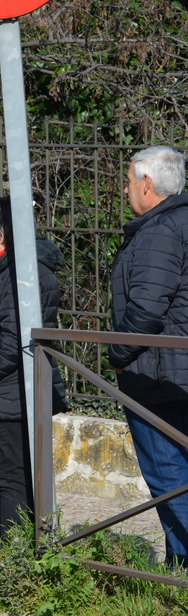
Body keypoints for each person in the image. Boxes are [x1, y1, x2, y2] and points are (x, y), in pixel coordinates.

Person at [0, 196, 68, 546]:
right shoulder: (15, 270)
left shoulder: (23, 274)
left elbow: (13, 340)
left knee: (12, 479)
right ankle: (26, 558)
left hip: (12, 390)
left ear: (0, 235)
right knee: (19, 476)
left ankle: (15, 564)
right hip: (11, 389)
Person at [110, 145, 188, 570]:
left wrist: (117, 356)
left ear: (146, 183)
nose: (125, 191)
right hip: (175, 371)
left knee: (169, 477)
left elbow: (146, 309)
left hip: (158, 377)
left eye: (127, 182)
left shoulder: (160, 230)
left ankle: (182, 574)